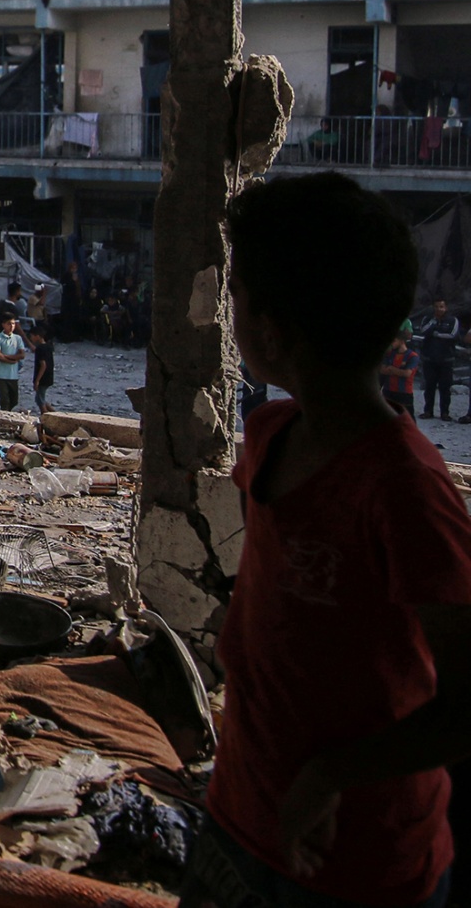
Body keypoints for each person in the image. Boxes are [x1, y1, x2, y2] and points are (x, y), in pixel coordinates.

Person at [177, 172, 471, 908]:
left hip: (355, 858)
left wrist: (332, 773)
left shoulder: (405, 491)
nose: (228, 306)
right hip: (244, 806)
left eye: (236, 291)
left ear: (273, 331)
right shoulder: (273, 434)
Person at [416, 299, 461, 420]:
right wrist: (433, 322)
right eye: (436, 306)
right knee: (429, 386)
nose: (439, 309)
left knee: (445, 388)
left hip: (446, 359)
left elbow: (453, 335)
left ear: (445, 307)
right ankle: (428, 411)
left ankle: (445, 412)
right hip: (429, 359)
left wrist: (437, 334)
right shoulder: (427, 319)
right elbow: (423, 331)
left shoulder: (452, 320)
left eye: (441, 306)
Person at [0, 314, 27, 411]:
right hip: (0, 374)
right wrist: (11, 361)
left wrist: (6, 356)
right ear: (3, 325)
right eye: (9, 324)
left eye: (13, 324)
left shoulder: (17, 338)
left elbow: (22, 354)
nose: (12, 326)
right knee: (5, 399)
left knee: (14, 400)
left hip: (13, 374)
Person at [383, 322, 420, 416]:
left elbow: (407, 373)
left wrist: (391, 369)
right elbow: (382, 370)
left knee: (407, 419)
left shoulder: (412, 356)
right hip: (388, 391)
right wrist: (398, 371)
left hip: (404, 393)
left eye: (394, 341)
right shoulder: (389, 354)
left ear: (401, 341)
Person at [29, 327, 55, 415]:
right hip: (49, 376)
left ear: (38, 336)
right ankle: (55, 413)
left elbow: (43, 365)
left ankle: (47, 417)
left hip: (42, 378)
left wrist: (37, 380)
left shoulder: (40, 349)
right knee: (40, 398)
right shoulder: (48, 346)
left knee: (40, 400)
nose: (31, 338)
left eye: (32, 336)